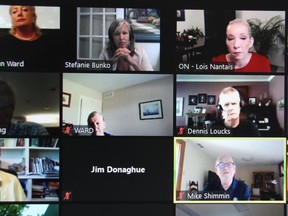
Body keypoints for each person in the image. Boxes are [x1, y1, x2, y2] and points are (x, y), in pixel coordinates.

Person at [0, 5, 61, 70]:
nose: (19, 14)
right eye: (14, 12)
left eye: (25, 10)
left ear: (33, 17)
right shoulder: (3, 43)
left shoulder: (50, 43)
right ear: (11, 19)